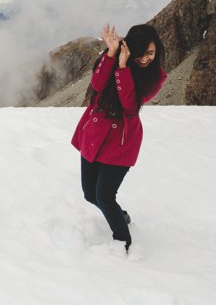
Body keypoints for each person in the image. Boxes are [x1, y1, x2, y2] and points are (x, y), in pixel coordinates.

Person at [70, 23, 167, 253]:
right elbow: (97, 85)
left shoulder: (155, 76)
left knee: (104, 196)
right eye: (141, 53)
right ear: (130, 47)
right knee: (89, 193)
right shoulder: (112, 56)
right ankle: (119, 215)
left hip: (122, 143)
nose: (145, 59)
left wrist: (123, 68)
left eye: (151, 53)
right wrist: (112, 55)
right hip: (95, 135)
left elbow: (130, 107)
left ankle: (123, 242)